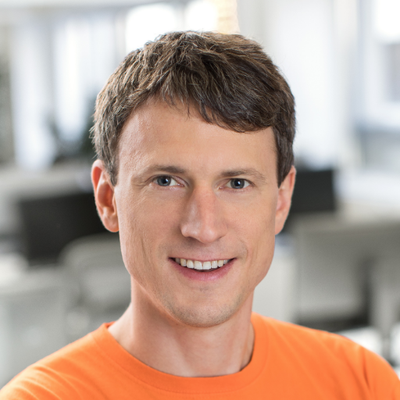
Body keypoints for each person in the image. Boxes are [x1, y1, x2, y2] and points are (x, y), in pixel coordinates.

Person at [1, 31, 399, 399]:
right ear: (108, 198)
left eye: (237, 184)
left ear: (281, 201)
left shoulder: (360, 381)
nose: (203, 228)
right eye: (166, 181)